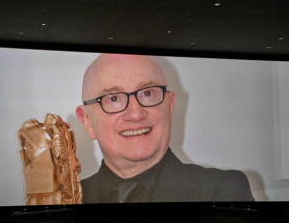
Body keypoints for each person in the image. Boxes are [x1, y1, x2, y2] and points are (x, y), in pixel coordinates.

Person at [76, 54, 254, 203]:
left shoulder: (221, 191)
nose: (136, 114)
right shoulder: (65, 200)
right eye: (113, 98)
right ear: (87, 121)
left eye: (147, 93)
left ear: (170, 107)